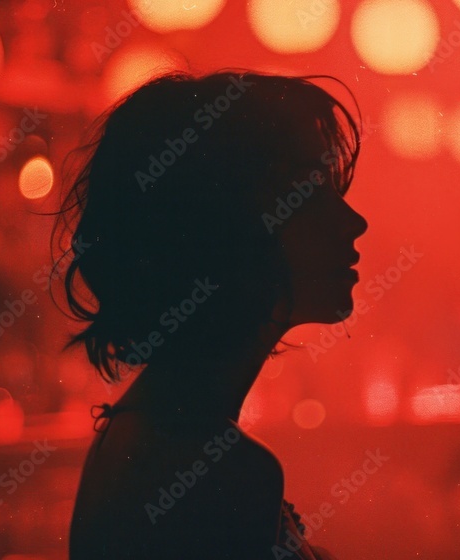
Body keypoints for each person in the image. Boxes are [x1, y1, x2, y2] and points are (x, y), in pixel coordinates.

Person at [55, 70, 367, 559]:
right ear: (228, 225)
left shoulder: (140, 430)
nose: (354, 222)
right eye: (310, 194)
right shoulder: (225, 470)